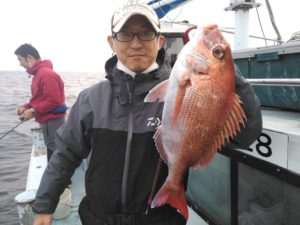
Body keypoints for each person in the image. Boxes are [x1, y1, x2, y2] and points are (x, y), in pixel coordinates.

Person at [32, 1, 262, 225]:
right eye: (125, 34)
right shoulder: (90, 99)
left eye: (145, 34)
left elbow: (245, 136)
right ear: (112, 42)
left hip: (161, 218)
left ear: (160, 41)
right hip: (97, 218)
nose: (135, 43)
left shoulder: (179, 87)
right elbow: (65, 154)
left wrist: (224, 66)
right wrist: (45, 204)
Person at [15, 43, 67, 161]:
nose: (20, 64)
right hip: (47, 122)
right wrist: (26, 107)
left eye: (20, 59)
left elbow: (53, 101)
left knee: (56, 152)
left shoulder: (46, 74)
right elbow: (40, 98)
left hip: (53, 123)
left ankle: (57, 179)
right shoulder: (39, 74)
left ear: (29, 58)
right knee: (52, 149)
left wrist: (33, 112)